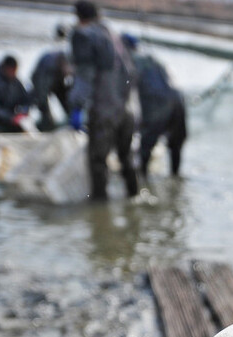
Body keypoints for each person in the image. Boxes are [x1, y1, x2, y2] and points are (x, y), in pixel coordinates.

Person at [68, 0, 138, 201]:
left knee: (97, 161)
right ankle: (134, 197)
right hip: (125, 110)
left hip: (104, 110)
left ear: (78, 17)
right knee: (126, 158)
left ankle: (100, 209)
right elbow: (131, 73)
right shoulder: (113, 35)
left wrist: (77, 106)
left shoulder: (83, 35)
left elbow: (85, 76)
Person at [121, 34, 188, 178]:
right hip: (178, 101)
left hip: (158, 105)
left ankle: (142, 182)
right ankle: (175, 177)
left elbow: (125, 90)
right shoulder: (152, 59)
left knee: (146, 146)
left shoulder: (128, 61)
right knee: (175, 146)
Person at [31, 25, 74, 132]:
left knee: (70, 106)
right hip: (41, 81)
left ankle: (70, 124)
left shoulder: (66, 55)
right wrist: (46, 113)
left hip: (57, 80)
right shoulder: (49, 66)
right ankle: (45, 128)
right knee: (45, 112)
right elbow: (41, 94)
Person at [0, 55, 32, 134]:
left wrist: (23, 112)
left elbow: (26, 100)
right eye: (12, 70)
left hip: (12, 119)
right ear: (5, 68)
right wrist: (10, 118)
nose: (14, 73)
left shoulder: (16, 82)